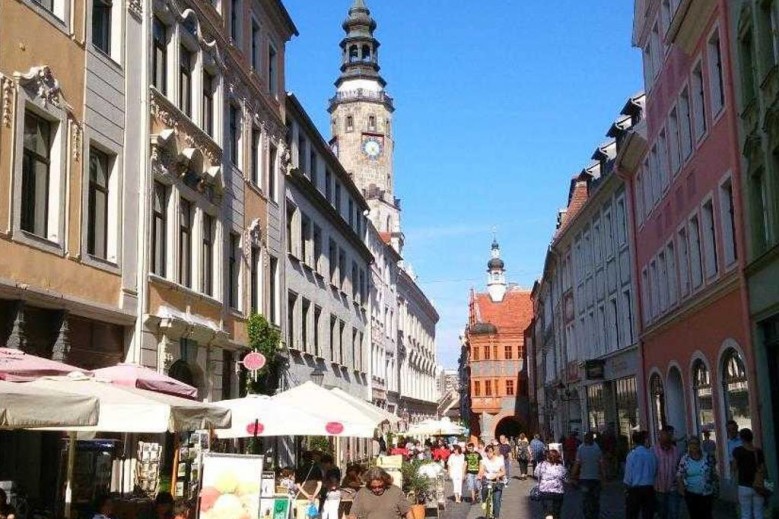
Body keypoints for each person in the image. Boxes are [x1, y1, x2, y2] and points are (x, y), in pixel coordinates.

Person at [676, 436, 718, 519]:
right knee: (695, 516)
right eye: (691, 444)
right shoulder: (685, 459)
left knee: (707, 516)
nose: (694, 446)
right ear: (688, 446)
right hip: (691, 494)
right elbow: (679, 475)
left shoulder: (707, 457)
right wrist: (682, 489)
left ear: (699, 445)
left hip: (707, 493)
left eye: (696, 443)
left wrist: (716, 488)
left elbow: (714, 473)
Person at [348, 467, 413, 519]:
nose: (377, 489)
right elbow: (353, 515)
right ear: (368, 483)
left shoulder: (395, 491)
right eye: (373, 487)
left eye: (380, 486)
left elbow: (407, 512)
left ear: (385, 481)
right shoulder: (362, 493)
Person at [732, 428, 767, 519]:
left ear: (741, 438)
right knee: (759, 512)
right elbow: (763, 469)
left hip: (743, 486)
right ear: (751, 438)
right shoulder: (758, 451)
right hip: (758, 485)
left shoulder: (737, 451)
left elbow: (734, 468)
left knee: (745, 513)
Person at [623, 430, 657, 519]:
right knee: (648, 514)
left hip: (635, 489)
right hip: (649, 487)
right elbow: (654, 470)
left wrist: (626, 487)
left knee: (632, 514)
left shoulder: (632, 455)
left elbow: (628, 474)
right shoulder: (651, 454)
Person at [572, 432, 604, 519]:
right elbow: (601, 463)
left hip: (585, 479)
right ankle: (594, 515)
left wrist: (573, 475)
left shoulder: (581, 448)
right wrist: (604, 475)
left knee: (586, 499)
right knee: (595, 499)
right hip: (595, 478)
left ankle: (588, 515)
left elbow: (577, 463)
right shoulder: (597, 448)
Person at [653, 426, 681, 519]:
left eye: (671, 434)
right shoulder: (653, 450)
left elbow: (679, 468)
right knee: (662, 513)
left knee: (674, 513)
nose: (669, 437)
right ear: (661, 435)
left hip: (673, 488)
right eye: (666, 434)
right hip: (658, 487)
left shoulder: (676, 451)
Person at [535, 449, 567, 519]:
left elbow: (536, 474)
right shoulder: (560, 467)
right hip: (558, 492)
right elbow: (565, 478)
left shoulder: (541, 465)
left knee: (548, 512)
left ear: (547, 457)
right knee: (556, 513)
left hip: (545, 491)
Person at [477, 445, 505, 519]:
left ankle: (496, 516)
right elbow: (481, 470)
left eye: (490, 452)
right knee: (484, 489)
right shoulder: (484, 460)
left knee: (496, 500)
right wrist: (479, 475)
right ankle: (484, 501)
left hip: (497, 480)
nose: (489, 453)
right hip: (487, 479)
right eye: (487, 452)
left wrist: (497, 475)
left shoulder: (499, 460)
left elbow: (503, 472)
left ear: (493, 452)